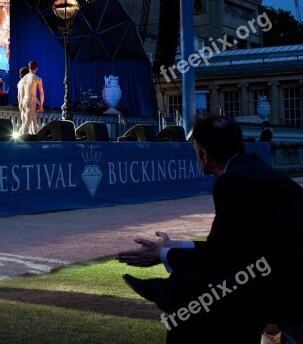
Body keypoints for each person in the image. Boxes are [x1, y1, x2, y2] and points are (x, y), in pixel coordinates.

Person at [117, 116, 303, 343]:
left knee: (187, 310)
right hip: (277, 272)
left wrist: (163, 254)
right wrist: (174, 245)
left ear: (204, 154)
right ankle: (168, 290)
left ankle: (168, 291)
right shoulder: (253, 170)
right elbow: (232, 247)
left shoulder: (233, 181)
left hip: (285, 285)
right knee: (197, 301)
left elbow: (219, 257)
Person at [19, 60, 44, 135]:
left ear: (29, 68)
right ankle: (22, 139)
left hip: (25, 100)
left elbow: (22, 92)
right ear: (36, 68)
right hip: (31, 101)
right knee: (27, 122)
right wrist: (41, 104)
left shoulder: (24, 78)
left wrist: (21, 103)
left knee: (34, 121)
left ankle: (36, 137)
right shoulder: (37, 78)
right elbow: (41, 93)